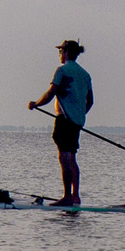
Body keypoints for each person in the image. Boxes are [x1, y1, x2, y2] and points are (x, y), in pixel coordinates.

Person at [29, 40, 92, 207]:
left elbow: (51, 93)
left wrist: (36, 104)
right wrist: (79, 114)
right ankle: (75, 196)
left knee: (64, 157)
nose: (59, 55)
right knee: (72, 157)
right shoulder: (85, 75)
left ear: (65, 53)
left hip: (64, 121)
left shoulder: (62, 70)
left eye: (60, 51)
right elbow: (90, 101)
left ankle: (66, 197)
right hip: (77, 122)